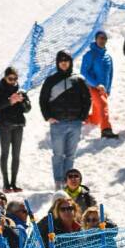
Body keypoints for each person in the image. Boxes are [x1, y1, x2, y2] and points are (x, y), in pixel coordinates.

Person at [39, 51, 91, 187]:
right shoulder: (51, 80)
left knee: (70, 155)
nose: (64, 62)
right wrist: (48, 116)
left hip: (75, 123)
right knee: (58, 154)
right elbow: (43, 100)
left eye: (66, 60)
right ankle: (58, 182)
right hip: (58, 123)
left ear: (70, 62)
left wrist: (82, 117)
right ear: (57, 62)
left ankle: (68, 183)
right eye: (61, 60)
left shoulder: (79, 79)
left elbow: (87, 99)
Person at [0, 66, 31, 191]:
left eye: (15, 78)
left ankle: (14, 183)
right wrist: (9, 101)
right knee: (5, 153)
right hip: (5, 125)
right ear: (5, 77)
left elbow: (28, 109)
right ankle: (6, 184)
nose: (12, 81)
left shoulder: (21, 91)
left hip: (18, 125)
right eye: (10, 78)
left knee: (16, 155)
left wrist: (22, 101)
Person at [80, 31, 118, 139]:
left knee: (96, 118)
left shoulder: (108, 57)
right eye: (100, 38)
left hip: (103, 89)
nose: (102, 40)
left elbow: (110, 74)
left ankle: (82, 119)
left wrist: (108, 89)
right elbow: (84, 72)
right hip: (92, 87)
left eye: (104, 38)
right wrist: (96, 84)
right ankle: (106, 130)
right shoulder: (90, 54)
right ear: (96, 39)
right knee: (102, 105)